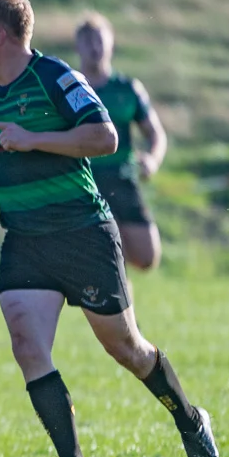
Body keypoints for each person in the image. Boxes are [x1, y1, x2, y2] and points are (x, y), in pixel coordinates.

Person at [0, 0, 216, 457]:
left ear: (1, 34)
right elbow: (13, 154)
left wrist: (31, 139)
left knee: (126, 348)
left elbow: (104, 137)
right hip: (27, 238)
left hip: (82, 232)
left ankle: (190, 419)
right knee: (26, 341)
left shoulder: (56, 77)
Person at [74, 14, 166, 271]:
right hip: (87, 182)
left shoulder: (127, 88)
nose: (95, 48)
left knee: (147, 257)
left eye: (100, 41)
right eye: (88, 42)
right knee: (111, 259)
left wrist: (152, 159)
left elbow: (155, 133)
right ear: (77, 46)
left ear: (111, 44)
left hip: (123, 178)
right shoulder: (70, 90)